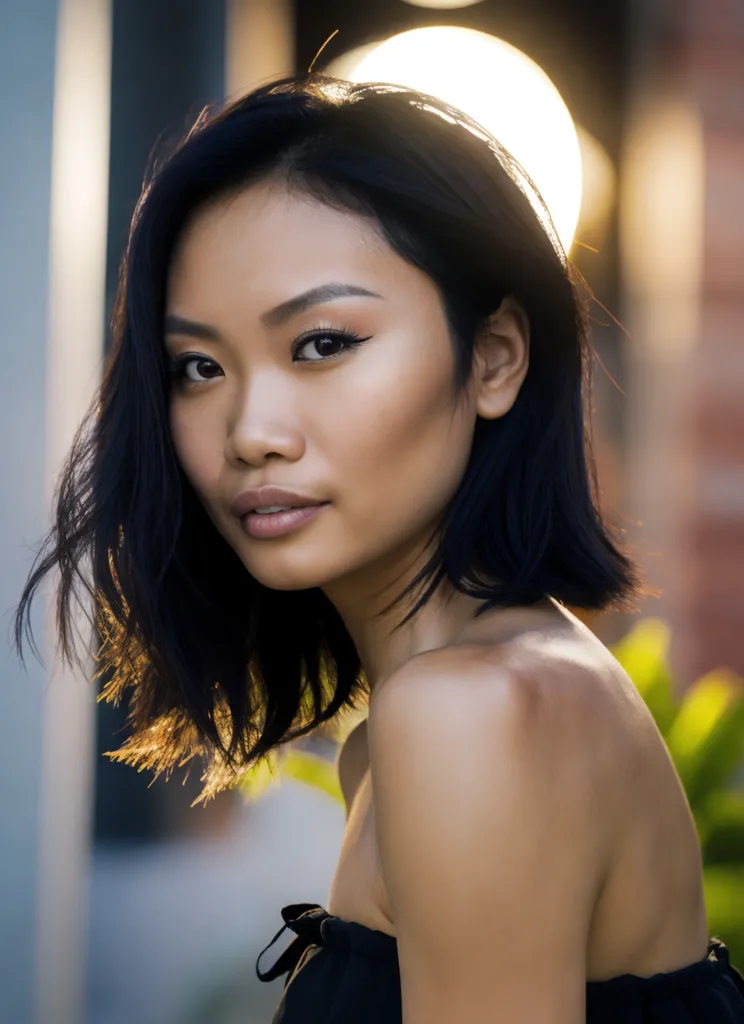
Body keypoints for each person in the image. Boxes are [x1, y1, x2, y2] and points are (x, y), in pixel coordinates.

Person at [14, 74, 744, 1023]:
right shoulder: (443, 714)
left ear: (493, 359)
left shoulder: (470, 717)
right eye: (198, 367)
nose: (250, 431)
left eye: (321, 343)